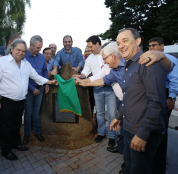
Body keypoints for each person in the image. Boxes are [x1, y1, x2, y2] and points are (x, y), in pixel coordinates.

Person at [0, 39, 57, 161]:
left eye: (23, 51)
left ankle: (16, 144)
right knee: (5, 127)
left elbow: (36, 76)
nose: (21, 53)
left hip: (20, 101)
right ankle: (6, 150)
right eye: (18, 50)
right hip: (6, 101)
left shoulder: (25, 64)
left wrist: (49, 81)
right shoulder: (0, 63)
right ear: (12, 49)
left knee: (16, 125)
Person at [110, 28, 167, 174]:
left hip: (142, 134)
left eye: (125, 40)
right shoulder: (129, 65)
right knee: (130, 167)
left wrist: (143, 133)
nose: (121, 45)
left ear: (138, 41)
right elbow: (129, 96)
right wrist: (118, 116)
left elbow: (156, 103)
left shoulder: (148, 63)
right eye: (118, 43)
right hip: (129, 130)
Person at [75, 36, 117, 146]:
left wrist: (87, 81)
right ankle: (101, 133)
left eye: (91, 46)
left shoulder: (108, 53)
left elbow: (104, 73)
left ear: (97, 44)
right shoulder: (89, 59)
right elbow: (85, 72)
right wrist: (80, 76)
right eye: (88, 47)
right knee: (100, 113)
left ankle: (112, 136)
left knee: (112, 113)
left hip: (110, 87)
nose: (89, 49)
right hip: (97, 88)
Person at [148, 37, 178, 174]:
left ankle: (160, 166)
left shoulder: (170, 60)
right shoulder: (151, 61)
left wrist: (171, 97)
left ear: (162, 46)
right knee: (153, 128)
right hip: (154, 95)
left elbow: (175, 80)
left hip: (165, 95)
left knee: (162, 130)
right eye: (149, 46)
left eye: (154, 45)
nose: (151, 48)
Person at [23, 35, 49, 145]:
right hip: (29, 90)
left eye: (40, 48)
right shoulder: (24, 57)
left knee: (36, 112)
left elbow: (44, 71)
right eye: (38, 48)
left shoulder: (41, 57)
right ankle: (27, 134)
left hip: (40, 89)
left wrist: (46, 83)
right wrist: (32, 88)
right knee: (28, 113)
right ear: (31, 45)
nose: (39, 50)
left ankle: (38, 132)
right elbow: (23, 76)